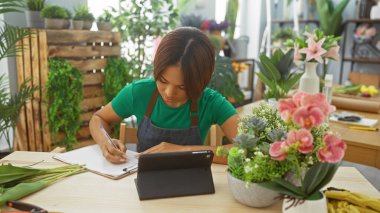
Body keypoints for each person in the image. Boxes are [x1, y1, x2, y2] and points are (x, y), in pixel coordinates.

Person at [89, 27, 238, 164]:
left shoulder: (211, 102)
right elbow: (99, 119)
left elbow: (248, 150)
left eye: (182, 87)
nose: (169, 93)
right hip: (143, 180)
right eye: (163, 80)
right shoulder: (139, 92)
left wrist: (181, 151)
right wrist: (105, 143)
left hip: (192, 182)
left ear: (201, 82)